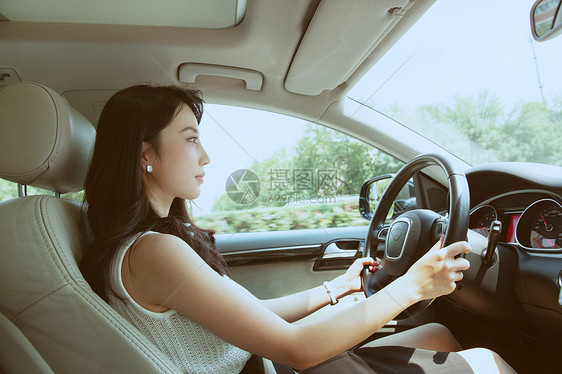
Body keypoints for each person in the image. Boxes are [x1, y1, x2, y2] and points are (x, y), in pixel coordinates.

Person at [80, 84, 516, 373]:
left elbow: (250, 317)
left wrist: (335, 290)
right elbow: (295, 348)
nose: (206, 156)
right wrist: (413, 287)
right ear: (145, 156)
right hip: (278, 365)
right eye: (191, 138)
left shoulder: (149, 246)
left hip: (266, 364)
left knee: (440, 333)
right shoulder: (154, 251)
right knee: (489, 362)